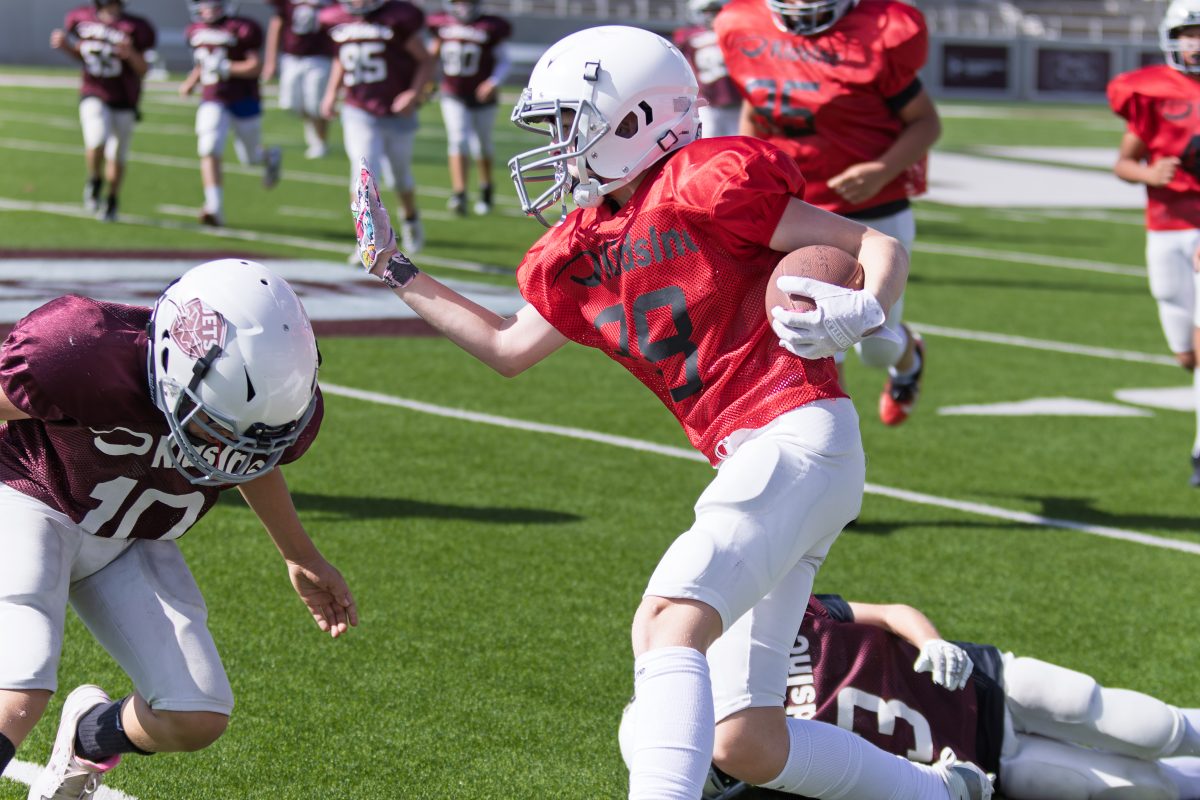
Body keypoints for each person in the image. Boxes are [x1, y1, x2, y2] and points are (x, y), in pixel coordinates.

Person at [349, 24, 989, 800]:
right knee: (745, 739)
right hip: (772, 457)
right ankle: (945, 792)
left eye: (569, 123)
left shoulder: (703, 182)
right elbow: (507, 346)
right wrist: (396, 268)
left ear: (637, 117)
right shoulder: (586, 242)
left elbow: (876, 245)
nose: (557, 145)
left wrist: (864, 307)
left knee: (666, 623)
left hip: (794, 431)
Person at [0, 259, 356, 800]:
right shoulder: (80, 351)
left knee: (196, 712)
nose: (224, 450)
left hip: (129, 536)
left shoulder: (263, 411)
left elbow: (253, 460)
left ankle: (86, 738)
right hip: (33, 496)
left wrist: (300, 554)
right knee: (20, 685)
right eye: (214, 425)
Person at [701, 594, 1200, 800]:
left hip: (983, 684)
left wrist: (932, 643)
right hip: (971, 758)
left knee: (1147, 725)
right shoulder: (760, 754)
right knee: (1138, 788)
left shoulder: (766, 624)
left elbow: (892, 613)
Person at [716, 0, 941, 426]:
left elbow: (925, 121)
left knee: (877, 347)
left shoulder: (879, 32)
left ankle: (909, 356)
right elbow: (755, 106)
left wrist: (882, 169)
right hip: (798, 210)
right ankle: (830, 436)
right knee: (810, 333)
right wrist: (750, 168)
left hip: (874, 209)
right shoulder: (745, 24)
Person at [1108, 0, 1200, 487]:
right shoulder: (1151, 92)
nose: (1196, 43)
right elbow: (1124, 162)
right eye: (1189, 32)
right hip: (1165, 227)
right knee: (1185, 351)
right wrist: (1149, 172)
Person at [319, 0, 433, 255]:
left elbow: (425, 60)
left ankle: (410, 218)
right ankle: (367, 242)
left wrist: (413, 93)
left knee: (399, 177)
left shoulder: (397, 17)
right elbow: (340, 58)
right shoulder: (336, 17)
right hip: (358, 109)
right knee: (363, 175)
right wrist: (331, 93)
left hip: (396, 111)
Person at [49, 0, 157, 223]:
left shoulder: (136, 26)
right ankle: (95, 179)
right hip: (94, 90)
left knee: (117, 154)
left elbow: (144, 70)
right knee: (97, 138)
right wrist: (66, 47)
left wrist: (130, 53)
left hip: (125, 97)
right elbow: (83, 54)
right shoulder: (81, 18)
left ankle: (112, 199)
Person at [180, 0, 283, 228]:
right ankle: (214, 207)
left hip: (243, 97)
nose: (208, 8)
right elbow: (203, 63)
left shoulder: (242, 27)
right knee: (208, 146)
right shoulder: (194, 30)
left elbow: (254, 66)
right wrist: (191, 82)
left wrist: (226, 67)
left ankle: (269, 157)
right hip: (212, 97)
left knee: (250, 159)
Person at [427, 0, 513, 217]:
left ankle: (486, 187)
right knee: (458, 139)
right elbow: (432, 56)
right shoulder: (441, 23)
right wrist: (428, 80)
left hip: (482, 95)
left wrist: (493, 82)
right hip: (453, 92)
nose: (463, 7)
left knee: (482, 145)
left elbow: (504, 60)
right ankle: (460, 193)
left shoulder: (490, 26)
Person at [262, 0, 335, 160]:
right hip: (291, 56)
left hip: (320, 57)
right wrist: (270, 60)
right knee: (290, 104)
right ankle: (312, 128)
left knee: (316, 104)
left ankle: (320, 141)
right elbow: (277, 24)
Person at [674, 0, 742, 139]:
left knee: (737, 139)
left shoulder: (734, 33)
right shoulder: (688, 36)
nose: (711, 16)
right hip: (705, 100)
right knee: (706, 138)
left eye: (714, 11)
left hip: (734, 98)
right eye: (706, 11)